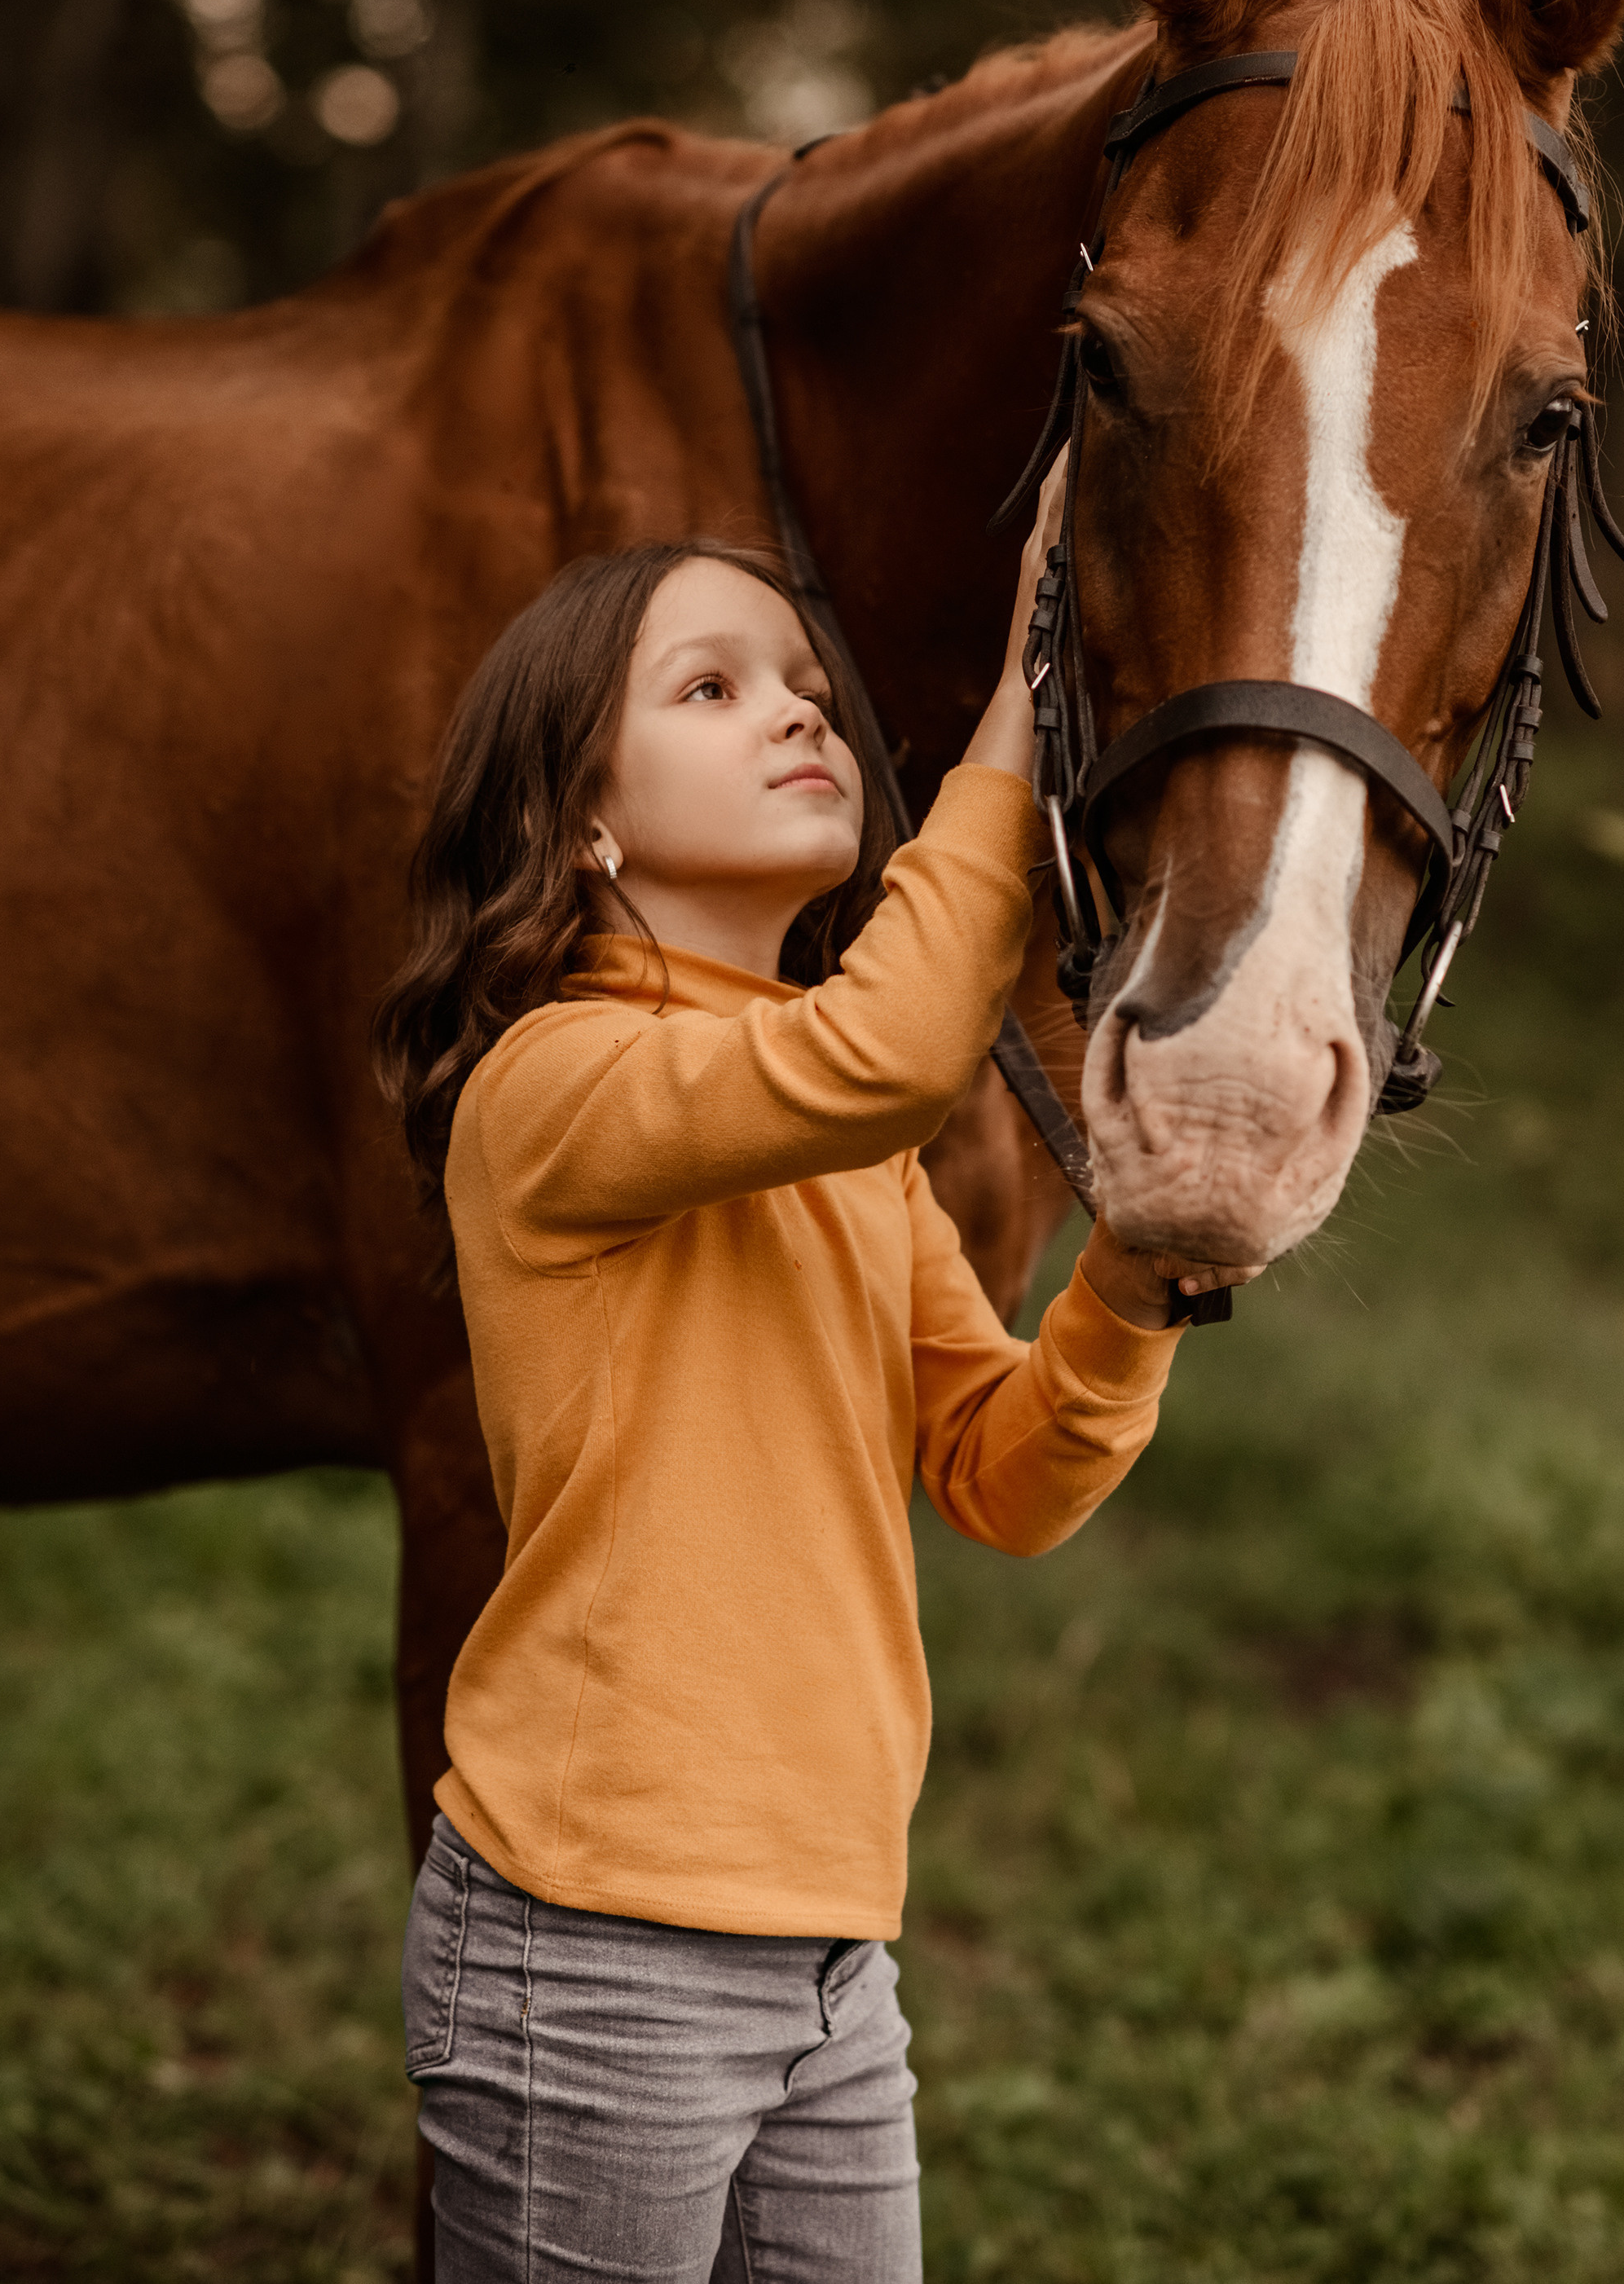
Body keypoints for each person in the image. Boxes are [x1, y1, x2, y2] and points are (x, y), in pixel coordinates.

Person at [373, 468, 1246, 2283]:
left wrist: (1136, 1285)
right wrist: (1022, 685)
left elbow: (1001, 1472)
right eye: (708, 687)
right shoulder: (554, 1080)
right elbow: (901, 1043)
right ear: (585, 817)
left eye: (801, 683)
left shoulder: (839, 1130)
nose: (794, 707)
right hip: (589, 1946)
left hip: (833, 1952)